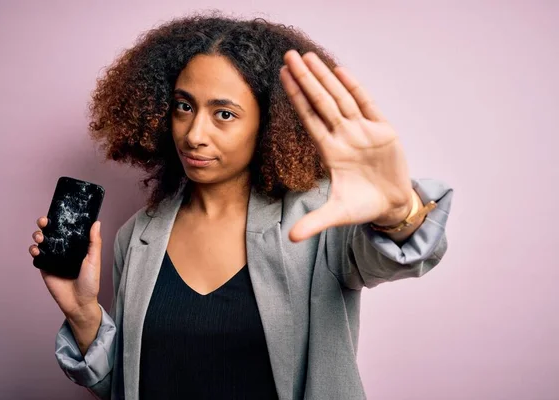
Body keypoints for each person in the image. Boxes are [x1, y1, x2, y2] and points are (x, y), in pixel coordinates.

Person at [29, 13, 453, 400]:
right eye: (184, 106)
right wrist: (83, 313)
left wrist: (398, 211)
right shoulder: (137, 236)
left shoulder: (321, 218)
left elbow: (402, 256)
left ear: (268, 123)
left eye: (224, 114)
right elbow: (129, 385)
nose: (194, 134)